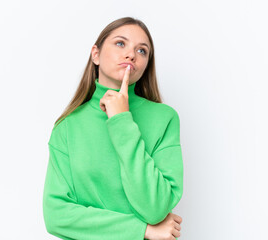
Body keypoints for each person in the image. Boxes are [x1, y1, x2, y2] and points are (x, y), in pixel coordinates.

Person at [42, 16, 184, 240]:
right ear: (95, 54)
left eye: (142, 51)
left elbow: (155, 209)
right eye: (120, 43)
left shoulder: (164, 118)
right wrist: (142, 230)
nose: (131, 54)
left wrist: (121, 120)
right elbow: (56, 215)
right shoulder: (67, 127)